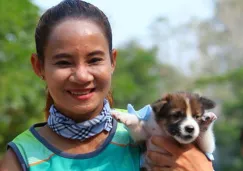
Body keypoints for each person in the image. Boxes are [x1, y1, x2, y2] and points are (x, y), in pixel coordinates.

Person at [0, 0, 214, 170]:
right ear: (39, 67)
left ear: (113, 61)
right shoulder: (22, 157)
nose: (82, 76)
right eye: (64, 62)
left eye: (94, 60)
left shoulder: (150, 132)